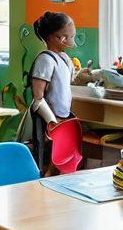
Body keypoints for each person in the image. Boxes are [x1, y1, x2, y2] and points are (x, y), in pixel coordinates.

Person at [28, 12, 90, 167]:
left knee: (60, 158)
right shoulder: (45, 60)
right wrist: (51, 121)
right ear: (54, 37)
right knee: (45, 157)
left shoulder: (65, 59)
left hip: (62, 118)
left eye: (72, 36)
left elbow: (66, 82)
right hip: (48, 120)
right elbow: (38, 97)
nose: (70, 40)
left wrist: (85, 75)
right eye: (67, 36)